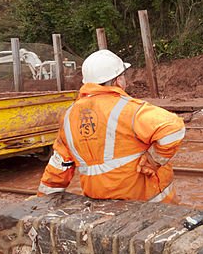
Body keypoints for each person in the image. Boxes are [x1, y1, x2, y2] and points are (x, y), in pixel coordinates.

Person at [39, 49, 185, 201]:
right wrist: (155, 160)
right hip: (148, 204)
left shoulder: (69, 116)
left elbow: (59, 166)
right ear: (117, 81)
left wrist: (42, 202)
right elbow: (173, 128)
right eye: (123, 76)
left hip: (103, 208)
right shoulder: (129, 109)